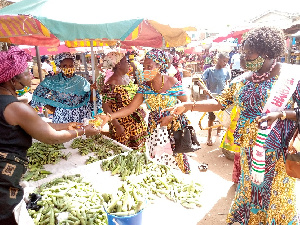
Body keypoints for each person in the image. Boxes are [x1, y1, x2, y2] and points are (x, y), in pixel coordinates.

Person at [163, 26, 300, 224]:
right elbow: (220, 102)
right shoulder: (242, 80)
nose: (245, 57)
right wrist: (188, 105)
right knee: (251, 189)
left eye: (250, 53)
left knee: (274, 196)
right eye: (244, 51)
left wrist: (282, 113)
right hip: (248, 151)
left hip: (276, 153)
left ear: (267, 52)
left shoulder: (291, 78)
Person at [0, 47, 100, 225]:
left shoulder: (7, 102)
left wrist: (67, 125)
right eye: (27, 72)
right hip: (4, 180)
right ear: (13, 78)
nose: (31, 76)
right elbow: (51, 137)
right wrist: (83, 131)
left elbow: (38, 125)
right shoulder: (16, 107)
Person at [97, 49, 191, 174]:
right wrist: (109, 117)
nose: (145, 70)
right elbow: (130, 108)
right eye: (144, 66)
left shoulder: (171, 82)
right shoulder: (145, 87)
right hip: (154, 127)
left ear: (159, 66)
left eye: (149, 66)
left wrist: (172, 116)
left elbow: (187, 103)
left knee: (176, 159)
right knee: (157, 161)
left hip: (173, 127)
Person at [96, 52, 148, 150]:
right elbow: (106, 106)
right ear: (118, 64)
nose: (128, 64)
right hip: (123, 127)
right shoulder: (111, 83)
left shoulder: (126, 78)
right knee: (125, 153)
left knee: (139, 154)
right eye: (126, 61)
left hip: (135, 124)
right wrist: (117, 126)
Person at [31, 52, 99, 123]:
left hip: (82, 118)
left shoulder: (81, 81)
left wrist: (92, 91)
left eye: (71, 65)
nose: (68, 68)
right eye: (64, 66)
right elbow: (38, 96)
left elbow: (92, 100)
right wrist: (52, 108)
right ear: (59, 66)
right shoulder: (53, 81)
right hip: (63, 120)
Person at [202, 52, 231, 146]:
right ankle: (209, 137)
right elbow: (200, 81)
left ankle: (219, 132)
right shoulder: (210, 71)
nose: (225, 63)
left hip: (222, 98)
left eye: (227, 61)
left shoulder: (226, 71)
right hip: (212, 98)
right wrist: (205, 89)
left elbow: (227, 82)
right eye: (224, 61)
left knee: (222, 117)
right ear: (218, 59)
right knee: (211, 117)